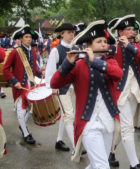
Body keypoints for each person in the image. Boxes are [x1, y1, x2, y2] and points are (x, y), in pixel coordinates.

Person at [51, 19, 122, 168]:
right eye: (99, 41)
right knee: (103, 165)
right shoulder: (78, 65)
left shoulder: (111, 62)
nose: (104, 44)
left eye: (105, 41)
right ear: (88, 46)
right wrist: (67, 63)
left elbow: (118, 74)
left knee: (96, 163)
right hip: (88, 124)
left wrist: (94, 61)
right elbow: (55, 83)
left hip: (108, 121)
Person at [108, 14, 140, 169]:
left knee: (126, 127)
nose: (132, 32)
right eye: (128, 29)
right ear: (120, 32)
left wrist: (131, 47)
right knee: (126, 128)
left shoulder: (135, 46)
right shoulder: (113, 47)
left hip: (135, 91)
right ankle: (134, 164)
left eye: (133, 29)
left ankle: (111, 152)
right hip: (120, 92)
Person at [3, 25, 44, 144]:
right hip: (20, 85)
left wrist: (41, 72)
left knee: (32, 110)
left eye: (30, 37)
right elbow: (5, 69)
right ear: (21, 39)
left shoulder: (34, 53)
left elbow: (34, 70)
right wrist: (14, 81)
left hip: (31, 84)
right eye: (26, 37)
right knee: (21, 110)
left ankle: (23, 125)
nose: (29, 39)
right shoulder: (15, 52)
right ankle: (26, 133)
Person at [45, 23, 78, 152]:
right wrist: (52, 86)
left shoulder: (76, 48)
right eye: (68, 32)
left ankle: (59, 140)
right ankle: (77, 147)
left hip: (73, 87)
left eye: (72, 32)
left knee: (68, 114)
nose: (71, 34)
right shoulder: (56, 50)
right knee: (69, 115)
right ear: (62, 34)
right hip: (61, 88)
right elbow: (50, 71)